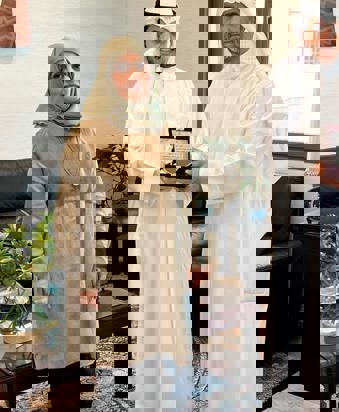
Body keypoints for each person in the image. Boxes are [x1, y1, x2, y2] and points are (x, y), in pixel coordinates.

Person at [190, 1, 282, 409]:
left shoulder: (263, 84)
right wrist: (195, 161)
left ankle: (239, 393)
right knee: (219, 295)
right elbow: (203, 135)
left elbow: (250, 151)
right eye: (225, 27)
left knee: (241, 295)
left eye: (238, 27)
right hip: (219, 204)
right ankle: (219, 388)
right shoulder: (218, 82)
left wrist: (210, 173)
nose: (231, 34)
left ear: (252, 32)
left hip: (244, 205)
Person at [125, 1, 198, 410]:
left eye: (168, 32)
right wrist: (158, 169)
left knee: (175, 288)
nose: (162, 40)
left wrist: (185, 166)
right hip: (151, 205)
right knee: (152, 288)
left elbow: (194, 143)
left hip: (176, 208)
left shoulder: (186, 88)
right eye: (155, 32)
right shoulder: (138, 86)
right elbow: (132, 147)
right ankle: (151, 386)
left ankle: (176, 384)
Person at [28, 39, 100, 411]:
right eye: (60, 73)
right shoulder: (43, 138)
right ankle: (61, 393)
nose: (68, 79)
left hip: (84, 235)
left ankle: (81, 393)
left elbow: (94, 196)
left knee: (85, 322)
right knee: (59, 324)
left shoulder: (84, 135)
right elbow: (36, 206)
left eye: (74, 72)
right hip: (58, 239)